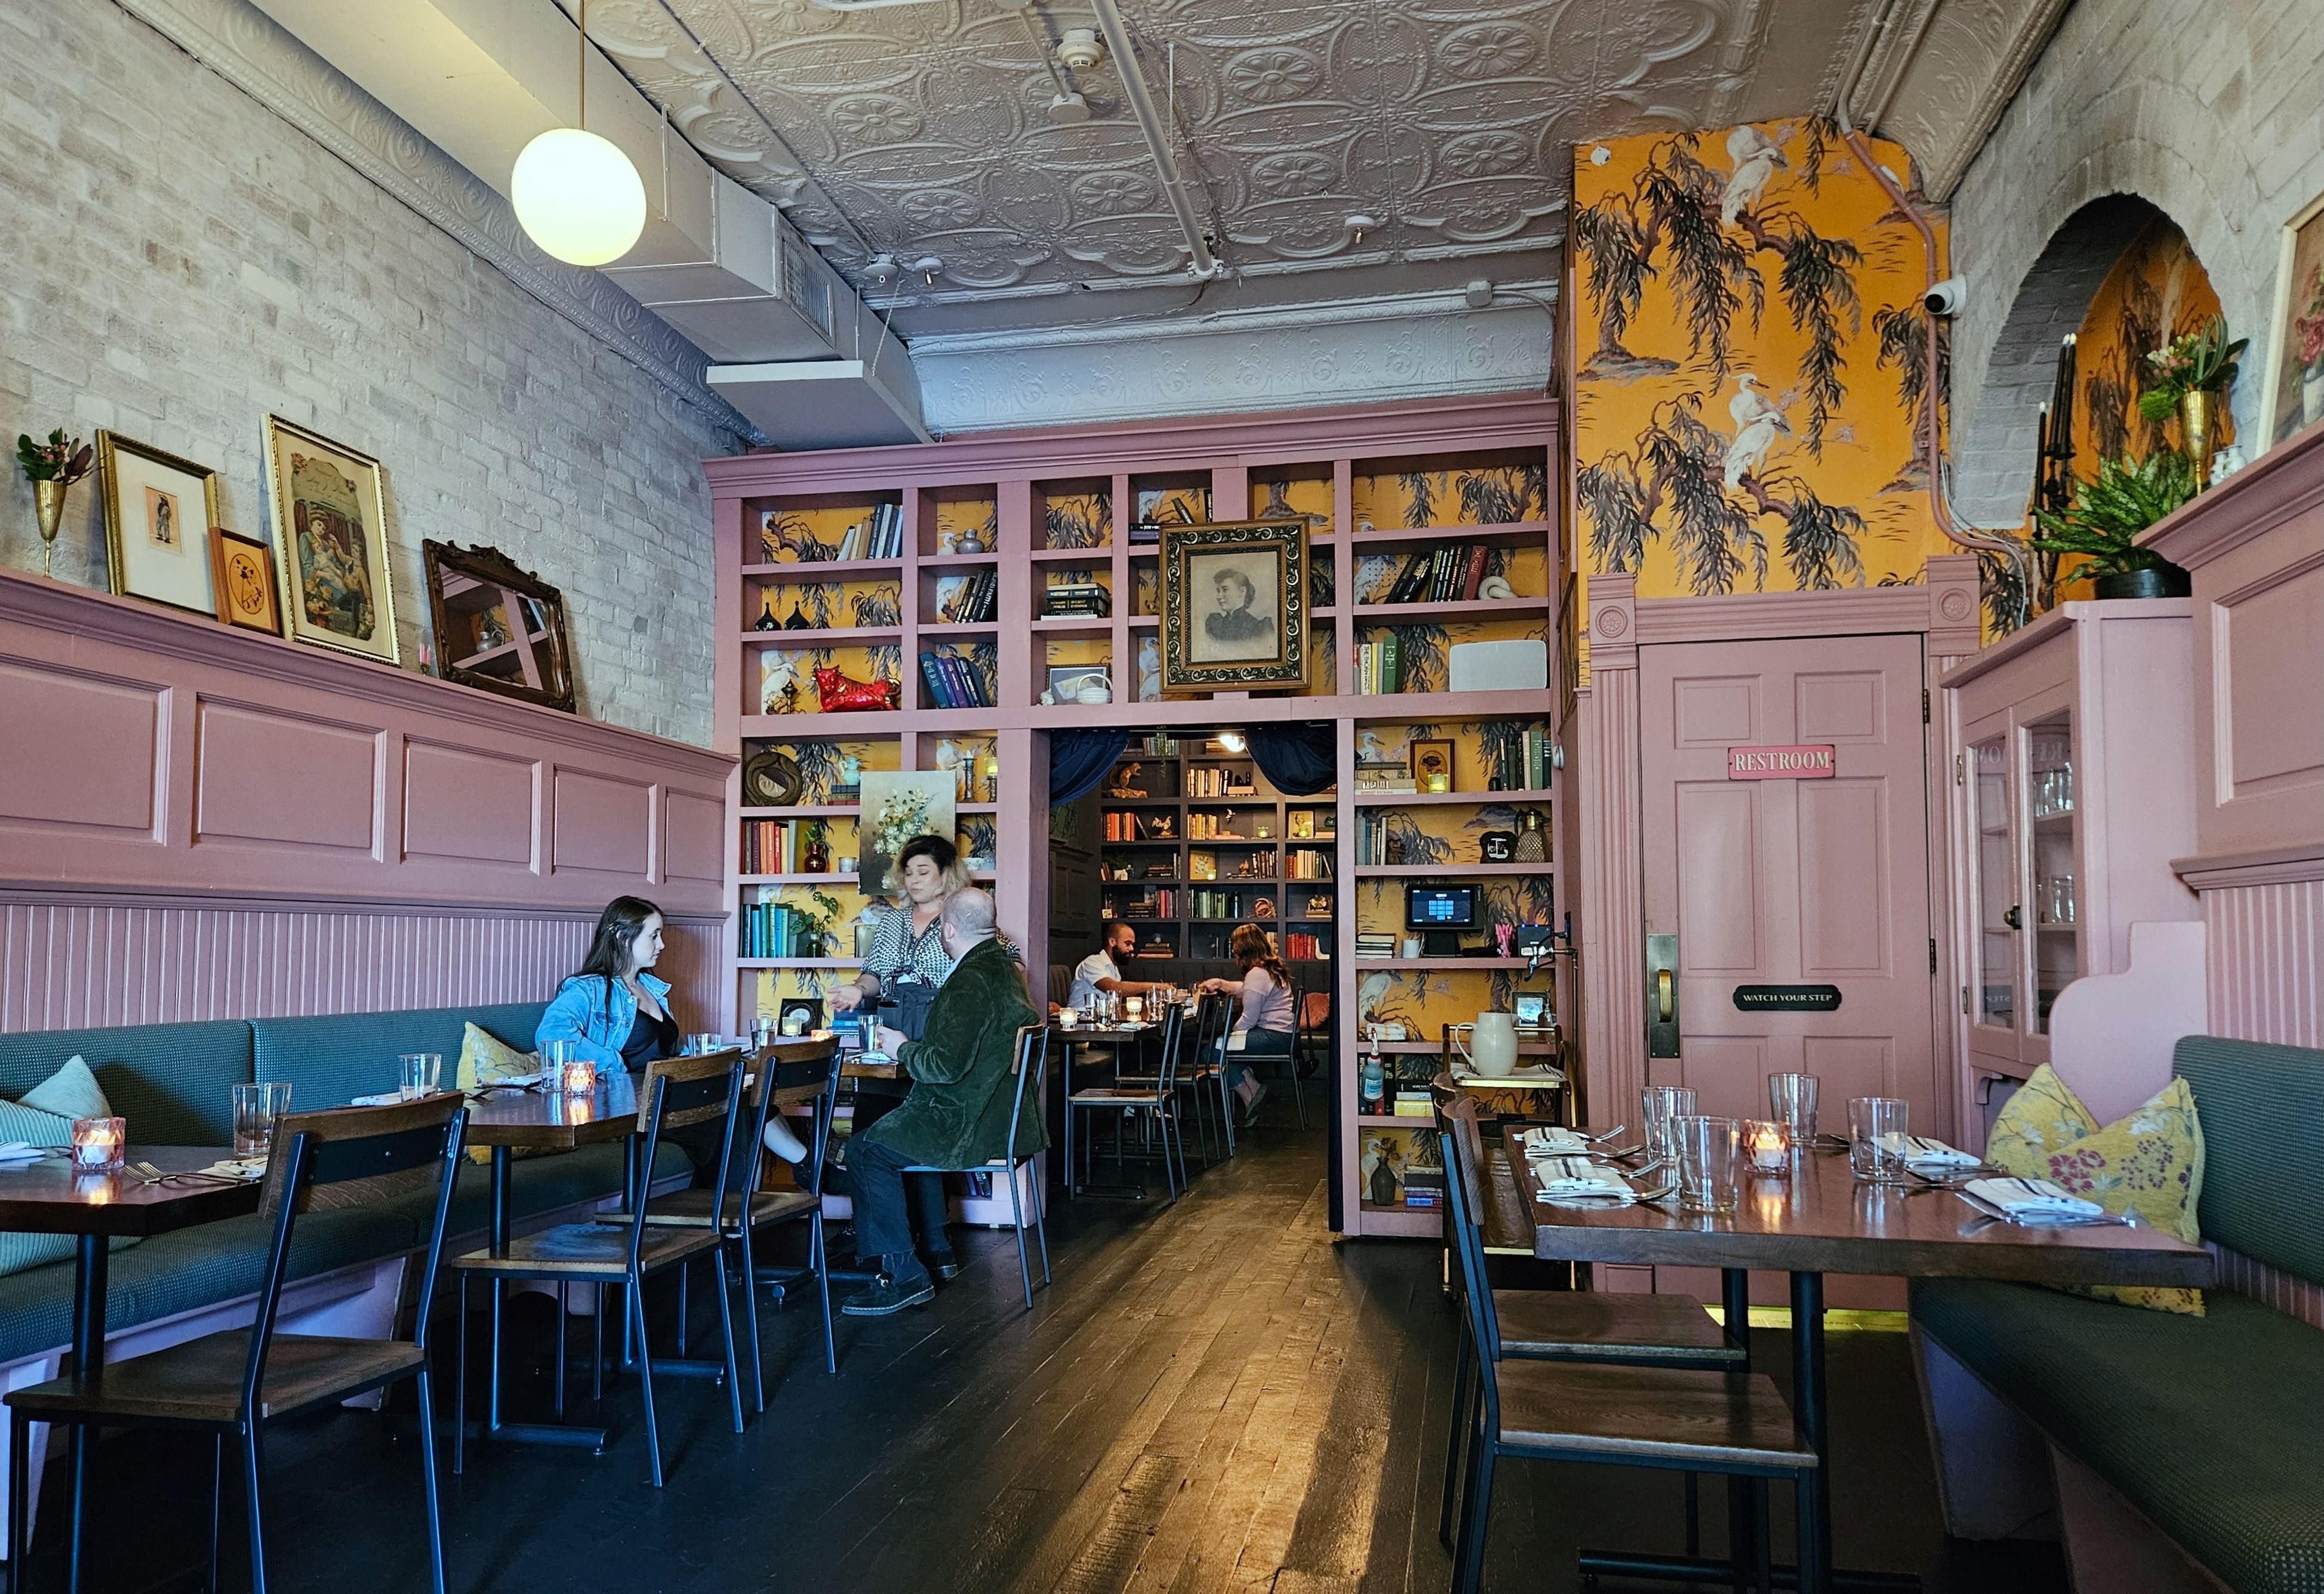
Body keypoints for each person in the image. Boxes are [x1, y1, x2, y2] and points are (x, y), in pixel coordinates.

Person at [841, 890, 1041, 1316]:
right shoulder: (1004, 970)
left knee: (864, 1150)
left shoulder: (968, 980)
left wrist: (900, 1048)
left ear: (948, 930)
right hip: (1003, 1116)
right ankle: (930, 1251)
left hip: (966, 1118)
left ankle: (903, 1275)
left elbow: (943, 1067)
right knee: (885, 1139)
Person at [538, 896, 805, 1162]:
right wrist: (614, 1062)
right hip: (632, 1110)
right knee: (732, 1111)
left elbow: (668, 1052)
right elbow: (550, 1035)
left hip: (667, 1096)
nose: (662, 944)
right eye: (654, 936)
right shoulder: (589, 988)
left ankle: (800, 1170)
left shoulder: (652, 988)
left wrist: (724, 1057)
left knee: (745, 1099)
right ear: (622, 936)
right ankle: (803, 1172)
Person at [1198, 923, 1296, 1126]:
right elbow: (1245, 989)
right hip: (1283, 1036)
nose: (1234, 957)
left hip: (1272, 1037)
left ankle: (1250, 1095)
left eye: (1235, 951)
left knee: (1212, 1052)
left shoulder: (1257, 974)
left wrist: (1228, 1034)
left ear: (1244, 950)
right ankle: (1255, 1091)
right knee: (1221, 1048)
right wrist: (1221, 983)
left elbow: (1248, 1020)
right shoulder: (1270, 969)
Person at [1068, 920, 1158, 1010]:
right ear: (1112, 942)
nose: (1131, 948)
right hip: (1080, 1020)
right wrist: (1158, 987)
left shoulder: (1113, 968)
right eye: (1128, 944)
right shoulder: (1092, 962)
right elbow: (1114, 988)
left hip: (1099, 1020)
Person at [1203, 567, 1270, 645]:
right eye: (1218, 591)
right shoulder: (1215, 624)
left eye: (1225, 590)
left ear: (1242, 592)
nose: (1219, 596)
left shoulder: (1257, 627)